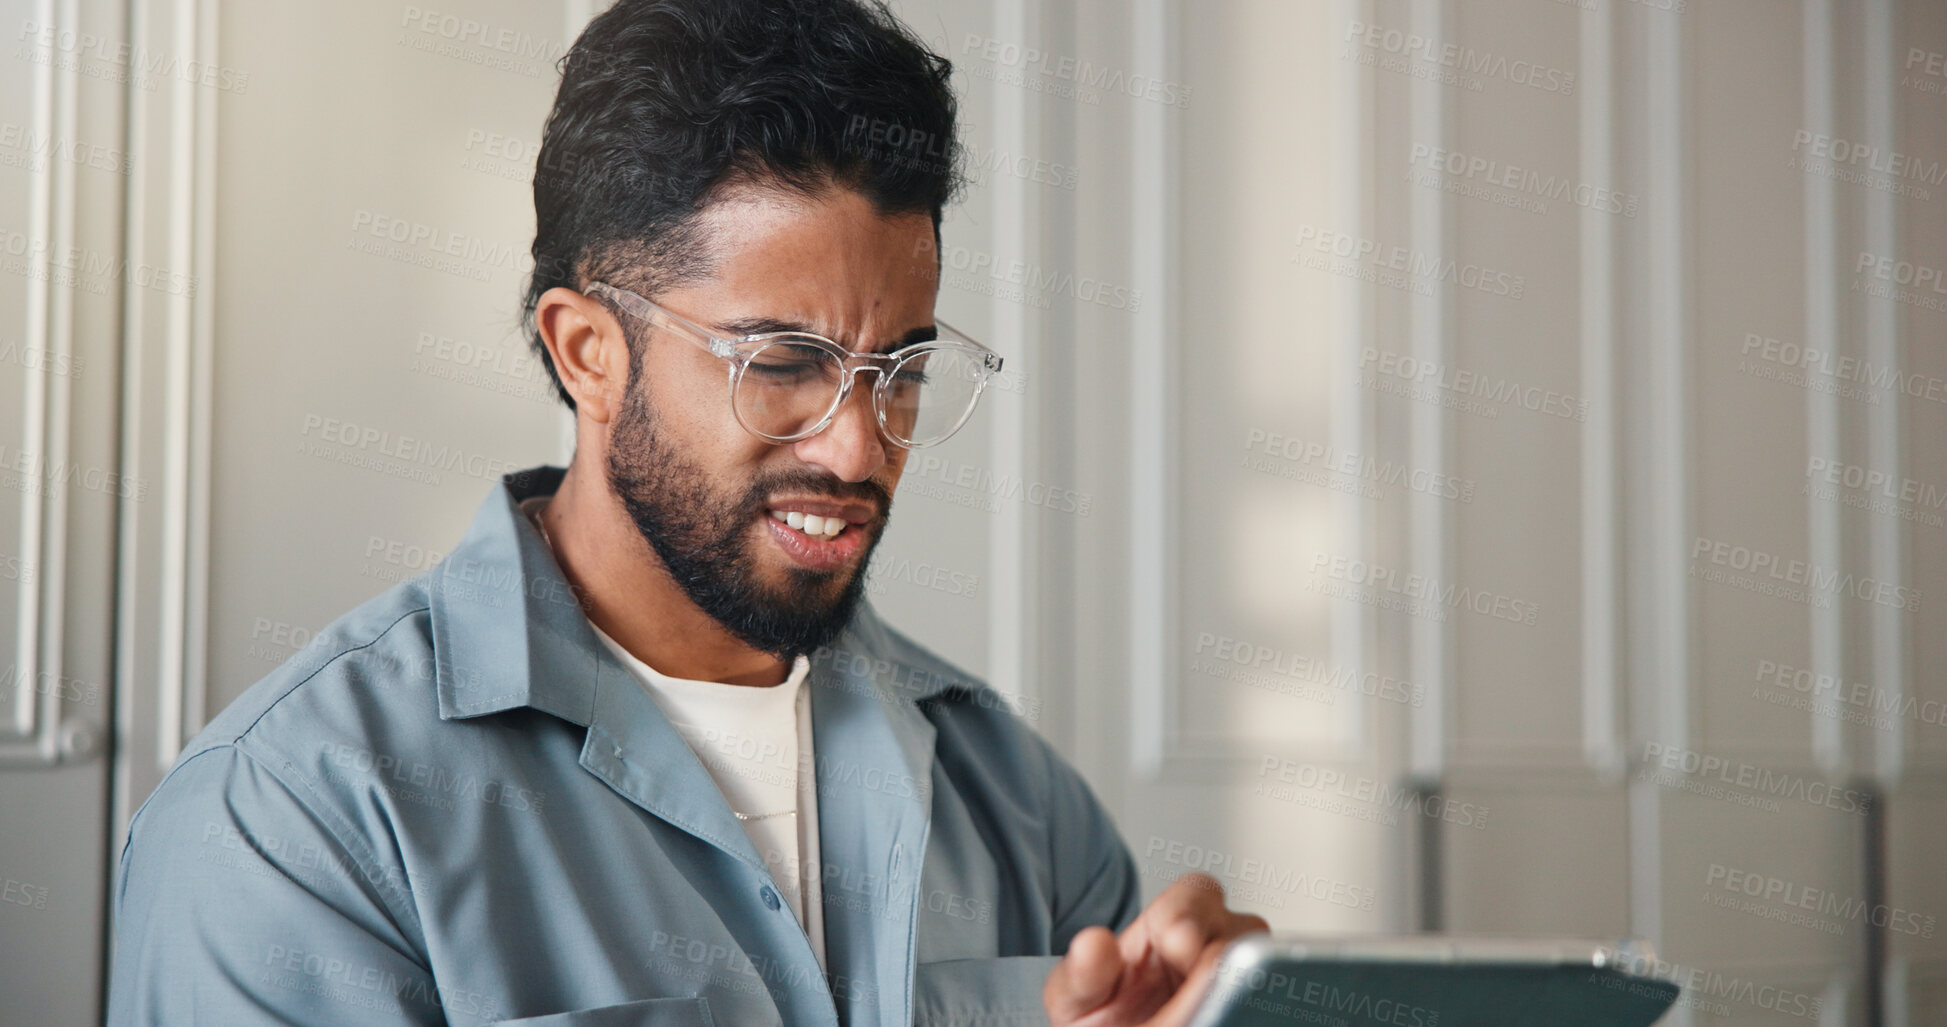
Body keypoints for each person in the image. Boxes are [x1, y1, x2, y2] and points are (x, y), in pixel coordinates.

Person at [105, 1, 1265, 1023]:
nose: (858, 447)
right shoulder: (295, 820)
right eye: (783, 363)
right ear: (589, 352)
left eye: (900, 371)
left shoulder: (1018, 800)